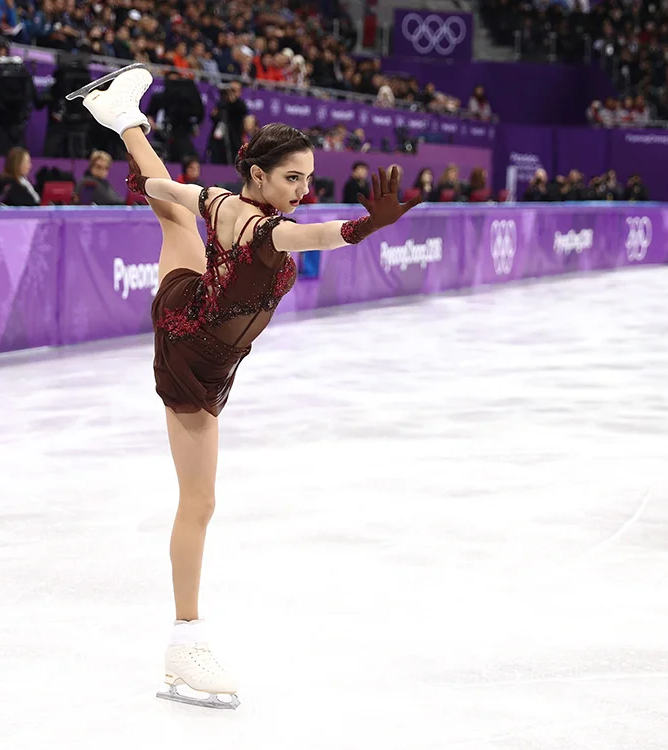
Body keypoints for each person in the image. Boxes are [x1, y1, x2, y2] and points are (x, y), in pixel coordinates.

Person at [68, 64, 422, 709]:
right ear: (258, 175)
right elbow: (305, 236)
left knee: (172, 214)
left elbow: (172, 191)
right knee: (198, 503)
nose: (303, 190)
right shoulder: (261, 226)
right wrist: (360, 228)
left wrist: (147, 166)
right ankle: (184, 639)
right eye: (292, 178)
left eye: (309, 179)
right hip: (191, 356)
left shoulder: (225, 201)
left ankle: (122, 114)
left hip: (191, 301)